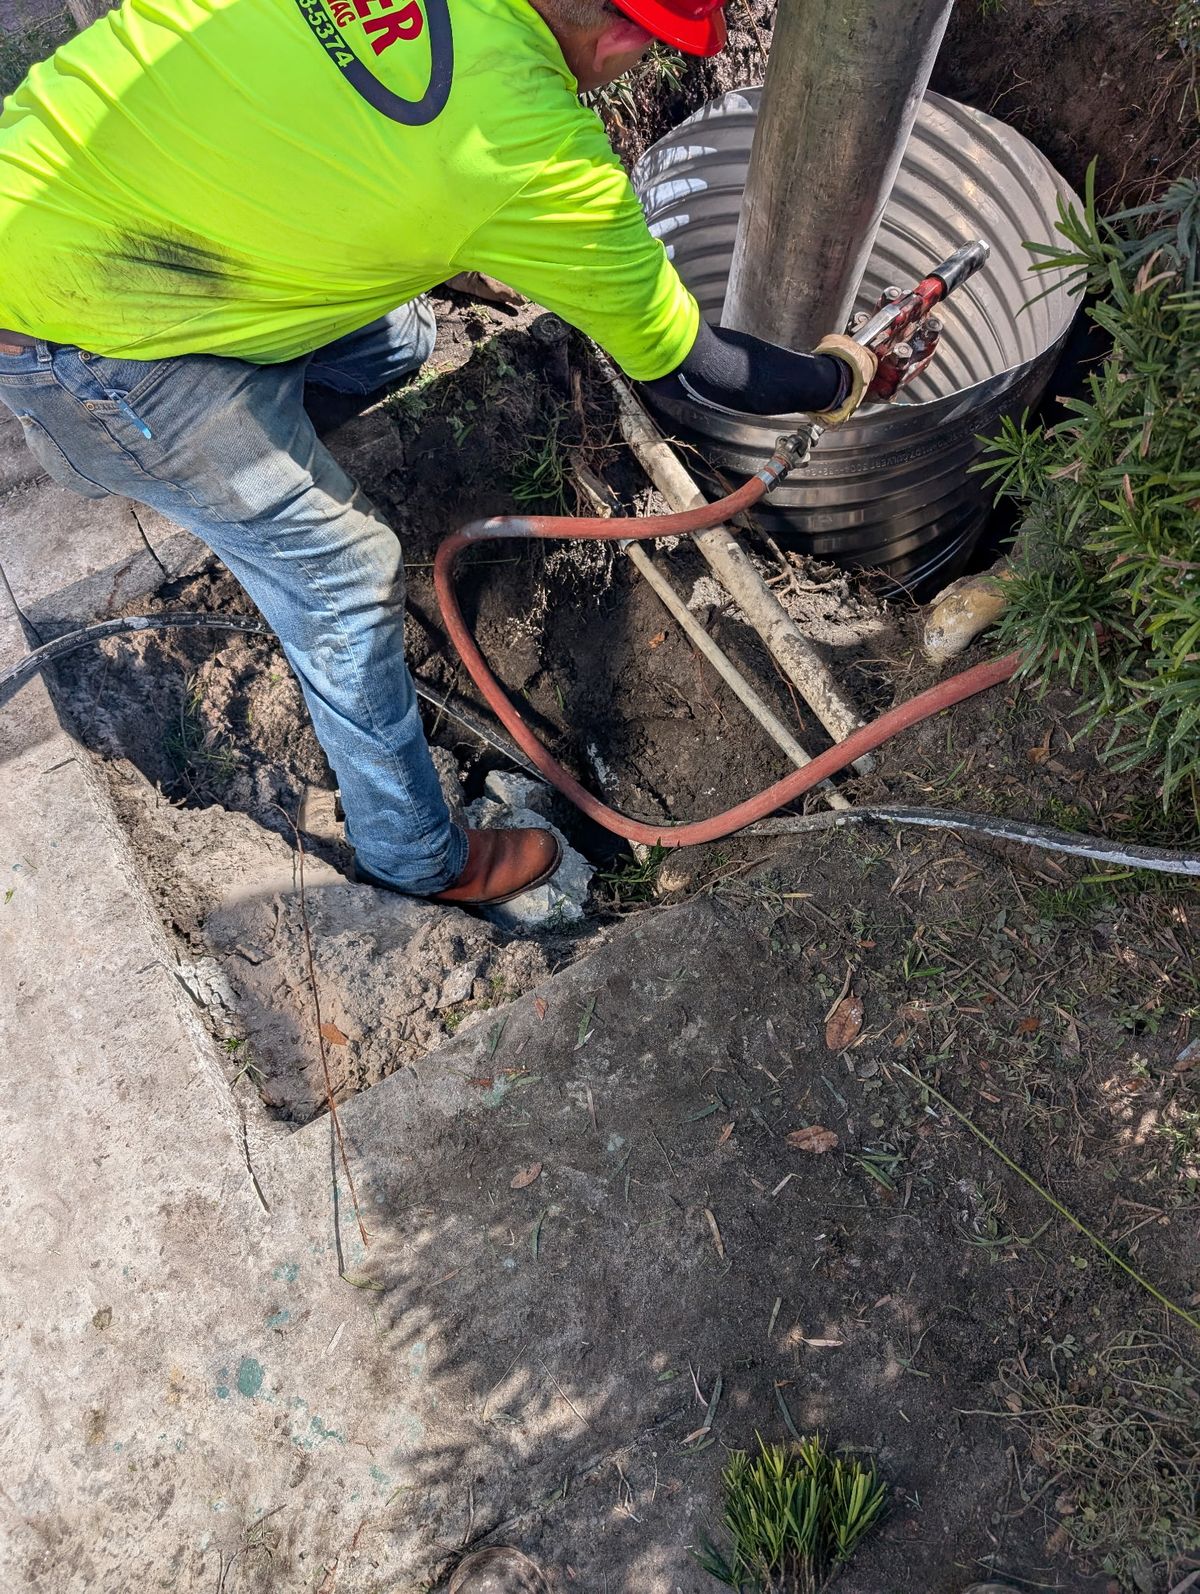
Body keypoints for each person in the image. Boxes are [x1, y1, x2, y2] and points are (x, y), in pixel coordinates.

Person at [0, 0, 875, 905]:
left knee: (397, 340)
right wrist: (839, 378)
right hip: (83, 347)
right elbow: (695, 369)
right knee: (347, 571)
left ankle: (257, 456)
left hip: (48, 173)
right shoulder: (533, 157)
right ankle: (415, 856)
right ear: (628, 37)